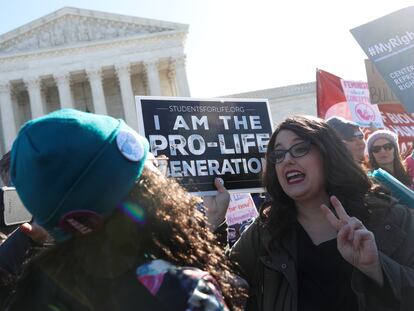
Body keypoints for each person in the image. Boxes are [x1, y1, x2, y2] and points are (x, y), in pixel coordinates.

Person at [3, 109, 245, 310]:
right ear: (142, 190)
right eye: (152, 166)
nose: (164, 176)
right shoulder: (181, 291)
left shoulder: (31, 292)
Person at [227, 115, 414, 311]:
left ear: (328, 154)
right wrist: (215, 221)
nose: (287, 160)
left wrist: (377, 267)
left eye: (299, 149)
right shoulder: (264, 232)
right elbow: (215, 286)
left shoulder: (391, 218)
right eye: (279, 154)